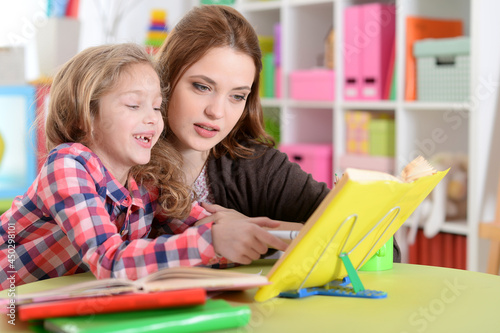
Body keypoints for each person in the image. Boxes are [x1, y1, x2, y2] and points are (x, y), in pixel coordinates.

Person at [0, 43, 287, 290]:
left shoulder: (146, 181)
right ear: (82, 117)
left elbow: (201, 227)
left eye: (157, 106)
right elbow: (110, 262)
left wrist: (260, 236)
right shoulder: (67, 165)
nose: (152, 119)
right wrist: (213, 240)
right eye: (134, 105)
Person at [155, 5, 401, 263]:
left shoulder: (256, 167)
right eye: (202, 87)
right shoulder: (124, 154)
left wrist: (259, 230)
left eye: (237, 96)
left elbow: (381, 242)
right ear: (166, 78)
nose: (217, 111)